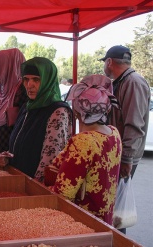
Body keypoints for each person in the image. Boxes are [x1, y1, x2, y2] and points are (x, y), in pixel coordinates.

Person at [50, 75, 122, 225]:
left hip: (84, 220)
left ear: (77, 111)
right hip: (105, 217)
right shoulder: (114, 133)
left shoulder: (83, 142)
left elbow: (63, 193)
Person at [100, 45, 150, 234]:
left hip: (124, 155)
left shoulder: (133, 82)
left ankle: (118, 240)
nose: (104, 66)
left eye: (105, 62)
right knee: (112, 206)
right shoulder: (123, 81)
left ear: (110, 62)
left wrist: (127, 158)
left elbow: (134, 125)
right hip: (119, 153)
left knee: (117, 209)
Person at [7, 57, 73, 182]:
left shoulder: (58, 111)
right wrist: (7, 157)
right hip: (20, 179)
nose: (29, 85)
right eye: (26, 79)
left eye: (36, 80)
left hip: (37, 186)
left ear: (48, 80)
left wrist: (36, 186)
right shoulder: (28, 106)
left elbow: (52, 157)